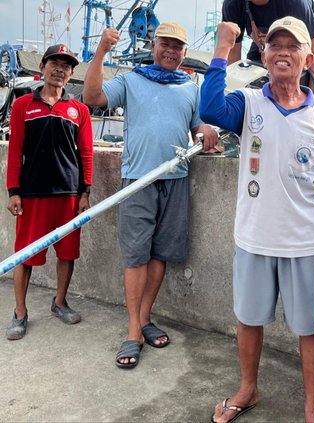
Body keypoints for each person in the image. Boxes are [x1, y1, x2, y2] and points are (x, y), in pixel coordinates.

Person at [200, 16, 314, 423]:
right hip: (253, 238)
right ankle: (248, 389)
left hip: (306, 242)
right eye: (275, 46)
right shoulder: (248, 104)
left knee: (310, 328)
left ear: (308, 57)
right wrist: (222, 46)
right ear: (264, 56)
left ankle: (311, 409)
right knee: (248, 320)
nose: (283, 52)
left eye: (293, 46)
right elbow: (209, 107)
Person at [83, 22, 218, 369]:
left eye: (178, 47)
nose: (171, 51)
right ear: (153, 46)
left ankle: (144, 318)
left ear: (185, 53)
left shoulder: (190, 87)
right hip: (137, 180)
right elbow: (92, 97)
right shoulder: (131, 80)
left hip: (176, 178)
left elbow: (197, 125)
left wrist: (205, 130)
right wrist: (101, 51)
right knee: (135, 256)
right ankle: (132, 331)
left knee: (160, 254)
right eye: (166, 45)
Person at [6, 44, 93, 339]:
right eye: (55, 63)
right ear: (42, 67)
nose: (60, 69)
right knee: (24, 256)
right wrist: (13, 191)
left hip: (69, 195)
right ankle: (20, 312)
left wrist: (85, 192)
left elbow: (86, 154)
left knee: (67, 253)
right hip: (32, 195)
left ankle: (59, 302)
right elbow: (15, 150)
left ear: (71, 74)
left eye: (66, 66)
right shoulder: (22, 106)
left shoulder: (79, 110)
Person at [222, 0, 314, 98]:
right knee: (251, 80)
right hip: (262, 44)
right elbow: (233, 54)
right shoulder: (232, 4)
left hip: (305, 44)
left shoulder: (296, 3)